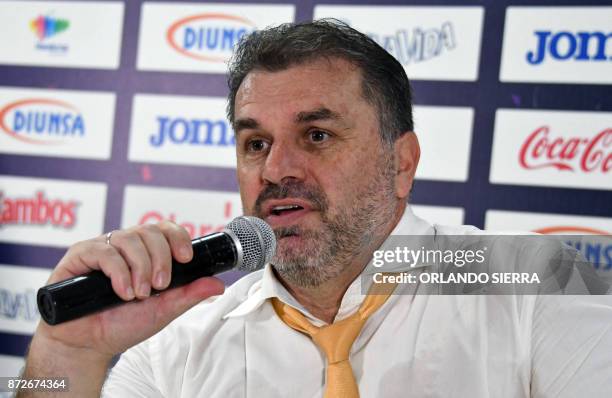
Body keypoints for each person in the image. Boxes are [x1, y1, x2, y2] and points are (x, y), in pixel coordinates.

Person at [19, 20, 612, 398]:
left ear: (401, 162)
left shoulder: (535, 287)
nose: (276, 170)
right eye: (256, 143)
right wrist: (65, 354)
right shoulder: (177, 346)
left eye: (317, 135)